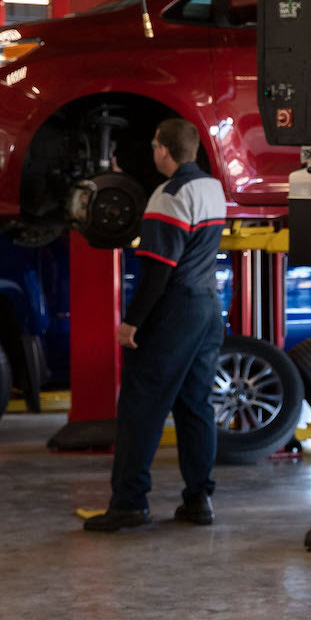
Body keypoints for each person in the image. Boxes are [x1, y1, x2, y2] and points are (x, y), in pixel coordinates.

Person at [84, 119, 229, 532]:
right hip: (207, 307)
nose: (153, 153)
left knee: (141, 407)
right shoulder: (212, 188)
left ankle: (129, 504)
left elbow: (158, 272)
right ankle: (199, 501)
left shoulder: (169, 196)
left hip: (173, 311)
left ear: (164, 149)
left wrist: (132, 323)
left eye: (154, 146)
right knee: (195, 405)